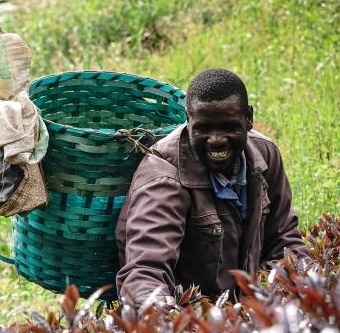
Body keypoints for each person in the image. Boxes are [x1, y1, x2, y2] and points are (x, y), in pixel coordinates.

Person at [115, 68, 308, 307]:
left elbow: (284, 238)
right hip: (195, 318)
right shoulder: (164, 178)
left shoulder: (264, 156)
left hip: (243, 312)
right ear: (188, 120)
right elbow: (145, 272)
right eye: (204, 129)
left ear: (249, 118)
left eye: (229, 127)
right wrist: (169, 319)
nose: (216, 140)